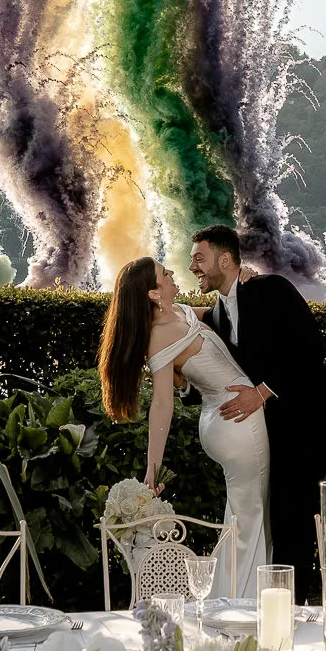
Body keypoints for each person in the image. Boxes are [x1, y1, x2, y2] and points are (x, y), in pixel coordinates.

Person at [190, 225, 326, 602]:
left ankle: (297, 603)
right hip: (273, 423)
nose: (192, 266)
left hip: (309, 414)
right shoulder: (216, 314)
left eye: (199, 258)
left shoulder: (271, 289)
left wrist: (260, 394)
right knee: (281, 508)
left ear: (225, 260)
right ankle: (287, 597)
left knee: (293, 505)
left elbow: (311, 347)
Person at [98, 256, 268, 597]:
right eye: (165, 274)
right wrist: (153, 469)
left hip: (226, 419)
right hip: (238, 423)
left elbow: (226, 313)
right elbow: (162, 405)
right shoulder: (159, 335)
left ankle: (232, 600)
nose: (174, 275)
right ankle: (243, 609)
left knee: (242, 518)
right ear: (152, 294)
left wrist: (244, 280)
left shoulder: (180, 312)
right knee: (251, 521)